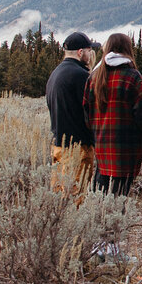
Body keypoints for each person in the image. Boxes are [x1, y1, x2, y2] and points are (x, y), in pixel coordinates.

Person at [84, 32, 142, 197]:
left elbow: (86, 113)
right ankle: (114, 223)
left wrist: (95, 134)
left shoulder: (94, 77)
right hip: (125, 150)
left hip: (102, 147)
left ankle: (100, 223)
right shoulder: (132, 77)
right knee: (119, 197)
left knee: (100, 195)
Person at [45, 31, 99, 197]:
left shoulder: (55, 74)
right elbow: (92, 109)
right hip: (77, 148)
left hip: (59, 145)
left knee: (59, 197)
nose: (92, 55)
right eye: (90, 51)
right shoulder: (80, 76)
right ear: (80, 52)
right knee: (76, 196)